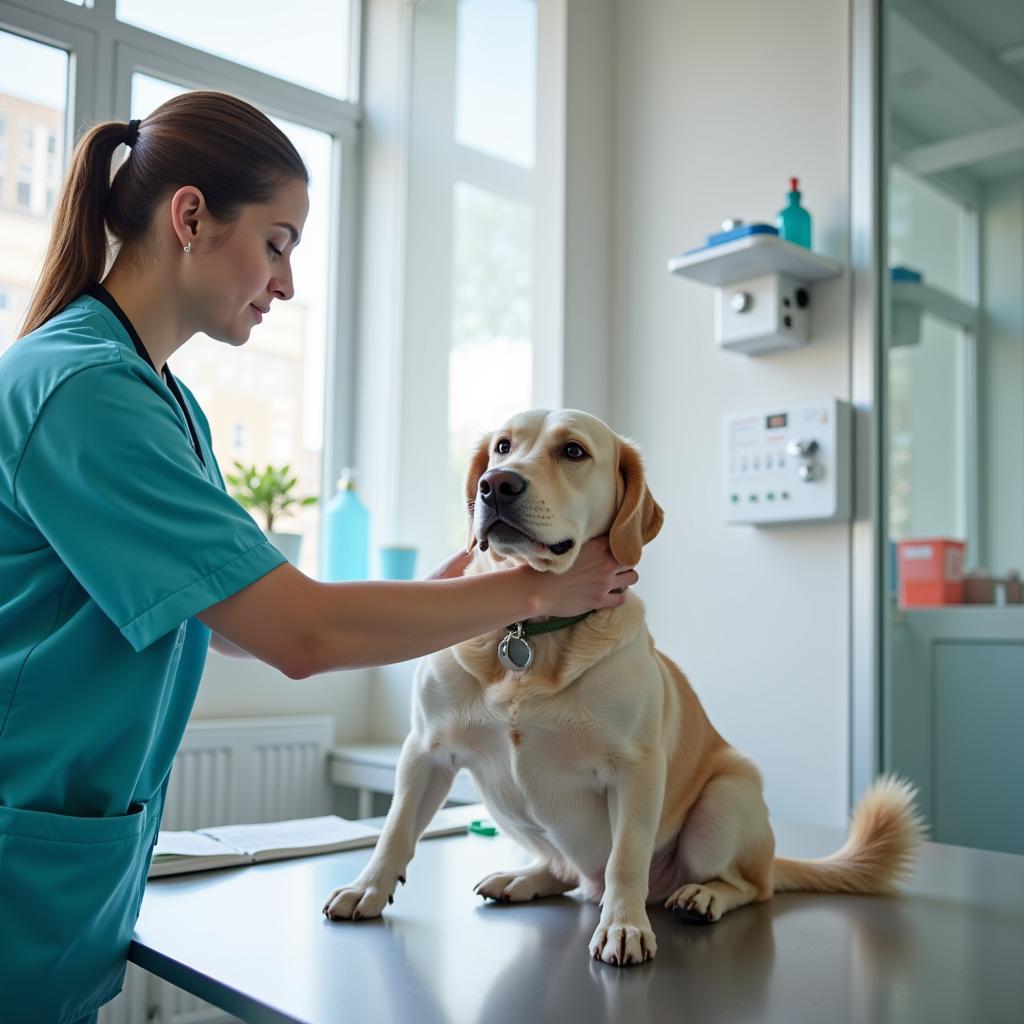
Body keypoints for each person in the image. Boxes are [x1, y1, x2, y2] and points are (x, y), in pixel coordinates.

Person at [0, 90, 636, 1023]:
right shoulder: (88, 391)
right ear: (190, 217)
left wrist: (444, 595)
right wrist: (529, 597)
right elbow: (299, 632)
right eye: (279, 242)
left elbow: (239, 626)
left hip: (58, 864)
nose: (287, 282)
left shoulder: (163, 400)